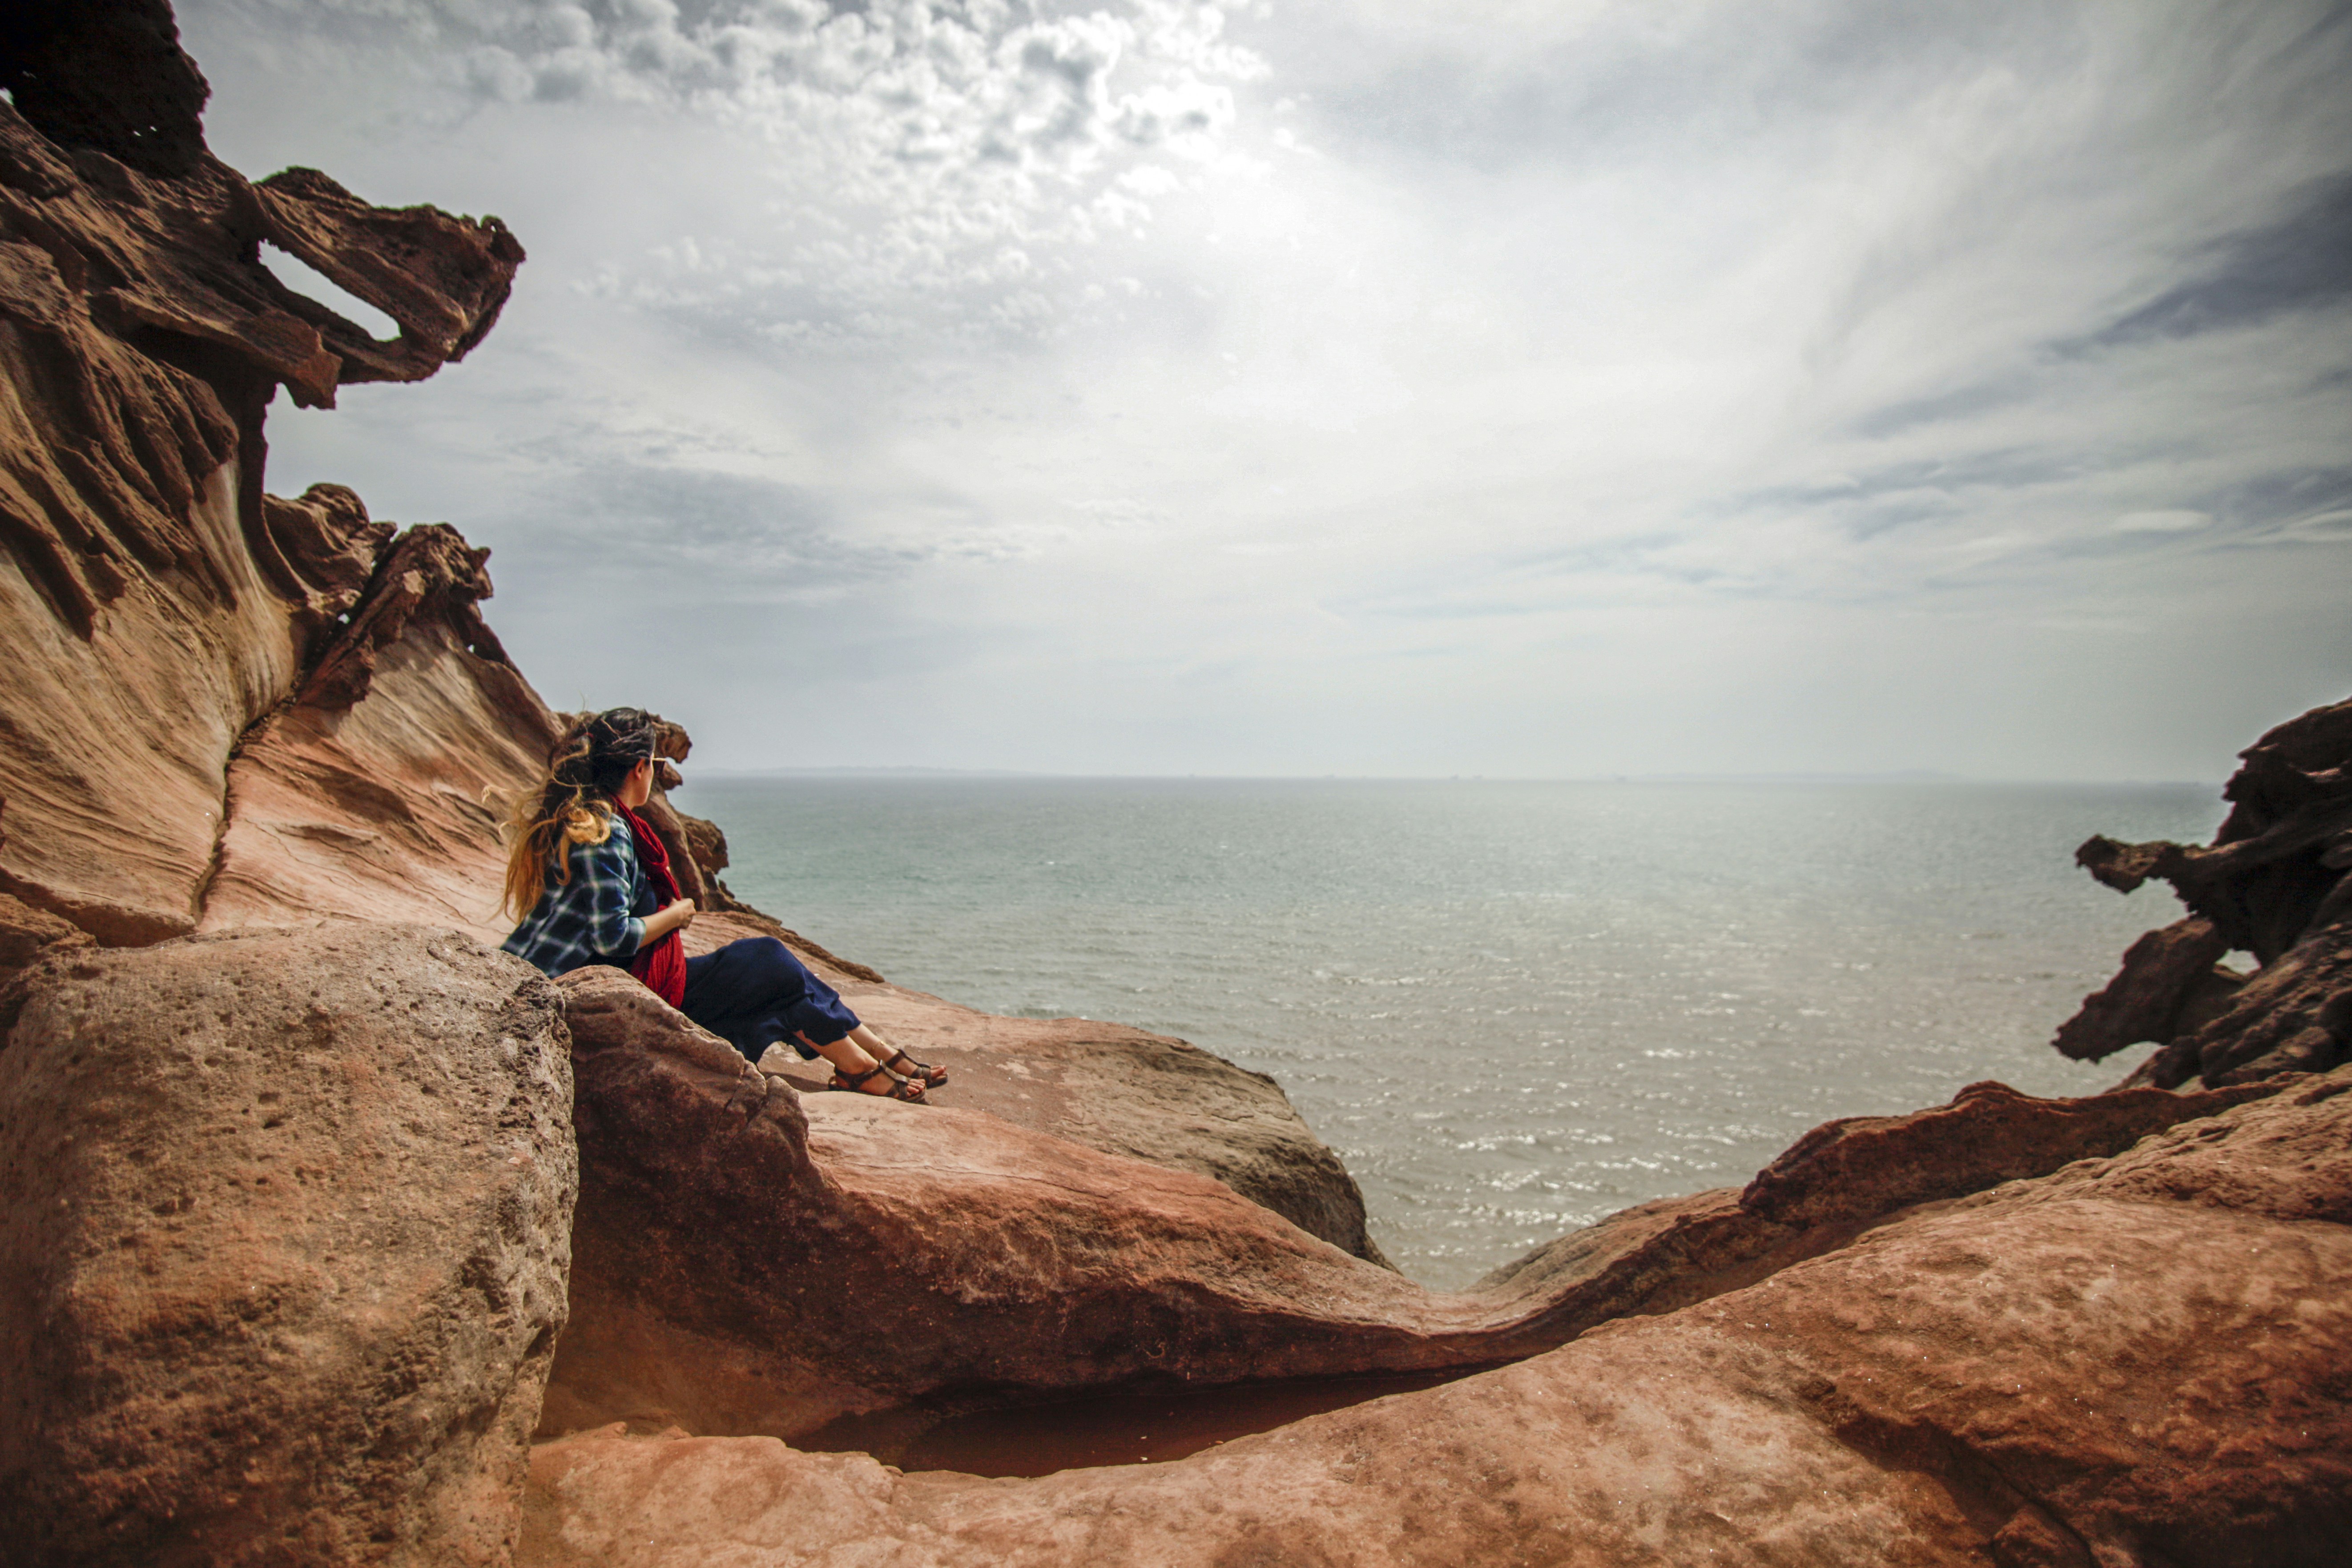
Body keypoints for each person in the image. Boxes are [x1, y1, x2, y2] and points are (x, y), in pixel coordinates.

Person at [499, 708, 946, 1102]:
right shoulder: (605, 830)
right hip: (580, 994)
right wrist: (676, 915)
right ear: (640, 768)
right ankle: (864, 1066)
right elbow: (612, 935)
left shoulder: (585, 817)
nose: (655, 773)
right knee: (769, 967)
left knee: (774, 968)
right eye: (656, 764)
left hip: (591, 976)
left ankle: (870, 1060)